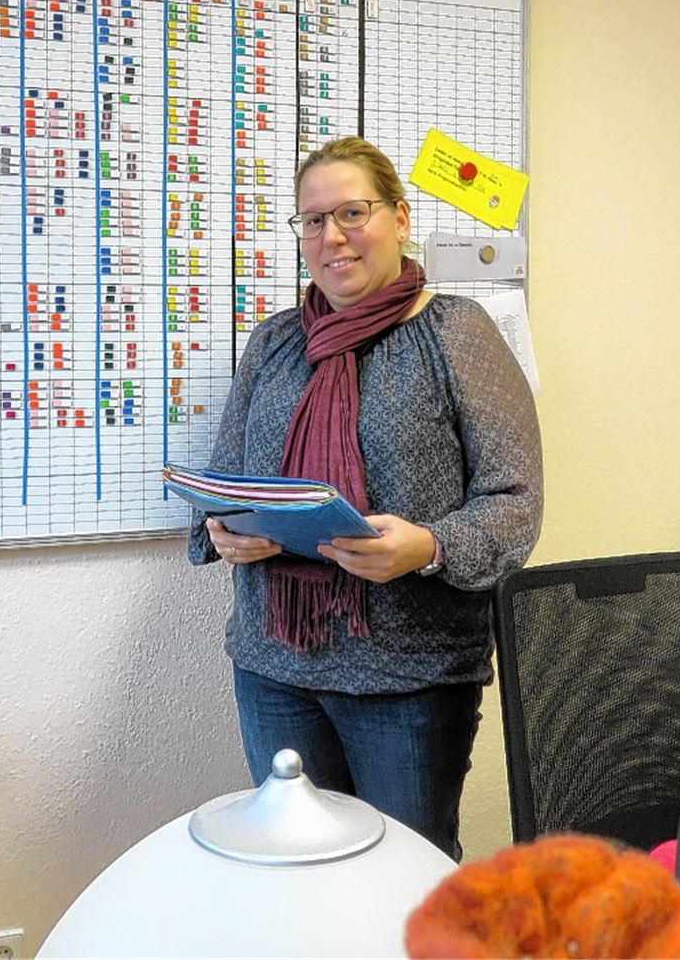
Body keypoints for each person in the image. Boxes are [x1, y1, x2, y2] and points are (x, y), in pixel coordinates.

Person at [188, 137, 542, 860]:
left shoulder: (456, 332)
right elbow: (224, 481)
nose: (332, 236)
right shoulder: (274, 343)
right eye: (312, 221)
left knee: (405, 875)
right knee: (293, 875)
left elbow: (514, 500)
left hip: (407, 675)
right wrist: (221, 528)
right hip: (274, 665)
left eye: (353, 212)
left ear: (402, 218)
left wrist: (428, 546)